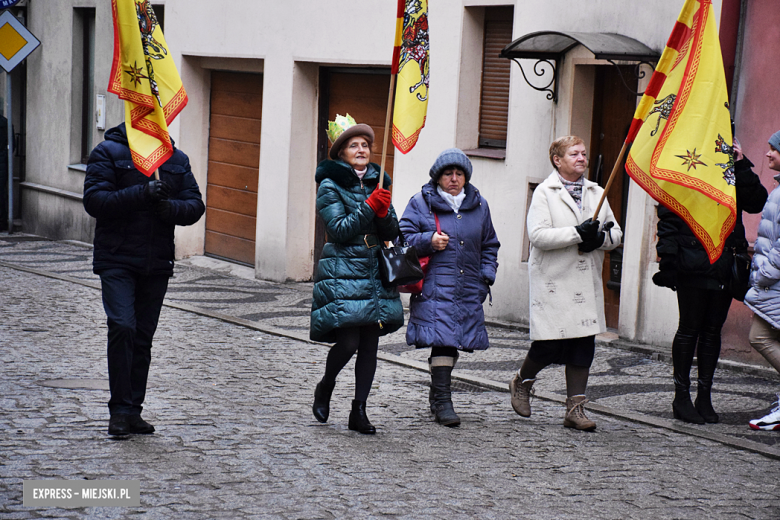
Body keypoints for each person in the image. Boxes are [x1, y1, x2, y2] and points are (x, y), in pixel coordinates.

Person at [83, 122, 205, 436]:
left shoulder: (175, 158)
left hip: (156, 262)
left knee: (142, 337)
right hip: (116, 258)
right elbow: (95, 201)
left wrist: (171, 208)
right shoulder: (108, 152)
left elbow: (195, 204)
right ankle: (119, 411)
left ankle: (133, 410)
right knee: (123, 326)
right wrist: (142, 192)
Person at [509, 136, 622, 431]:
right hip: (554, 281)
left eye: (584, 153)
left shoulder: (597, 191)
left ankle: (575, 409)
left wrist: (601, 239)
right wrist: (577, 233)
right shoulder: (545, 193)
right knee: (548, 345)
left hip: (585, 281)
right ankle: (522, 381)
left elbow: (616, 234)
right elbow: (538, 236)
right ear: (557, 160)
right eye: (574, 154)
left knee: (583, 346)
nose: (582, 158)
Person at [653, 136, 767, 424]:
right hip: (693, 260)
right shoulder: (685, 165)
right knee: (689, 328)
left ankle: (704, 396)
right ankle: (681, 396)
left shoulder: (730, 169)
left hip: (726, 260)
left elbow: (756, 203)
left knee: (713, 330)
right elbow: (668, 217)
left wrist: (740, 163)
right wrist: (668, 260)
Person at [310, 114, 404, 434]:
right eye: (354, 145)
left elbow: (392, 230)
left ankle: (359, 411)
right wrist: (369, 207)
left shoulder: (380, 181)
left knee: (370, 344)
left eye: (365, 144)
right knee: (348, 342)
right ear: (341, 153)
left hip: (374, 267)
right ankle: (326, 385)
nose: (362, 149)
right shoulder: (329, 185)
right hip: (344, 267)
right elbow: (337, 230)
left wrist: (384, 210)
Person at [399, 148, 500, 427]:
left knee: (454, 339)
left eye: (459, 174)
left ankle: (437, 395)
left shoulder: (479, 205)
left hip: (468, 287)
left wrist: (486, 276)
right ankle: (443, 401)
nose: (454, 179)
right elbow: (402, 238)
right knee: (443, 339)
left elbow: (490, 244)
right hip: (434, 285)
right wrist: (428, 240)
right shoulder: (420, 203)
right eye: (448, 174)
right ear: (438, 177)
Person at [743, 130, 780, 431]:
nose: (767, 154)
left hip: (774, 282)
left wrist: (764, 273)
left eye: (773, 150)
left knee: (759, 336)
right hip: (772, 282)